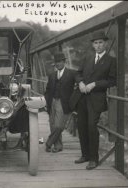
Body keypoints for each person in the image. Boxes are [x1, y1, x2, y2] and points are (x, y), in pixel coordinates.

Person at [73, 30, 116, 170]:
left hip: (96, 99)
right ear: (93, 45)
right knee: (81, 126)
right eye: (96, 43)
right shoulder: (88, 58)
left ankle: (93, 159)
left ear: (105, 43)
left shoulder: (111, 61)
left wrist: (95, 84)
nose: (98, 45)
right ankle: (85, 155)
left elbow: (112, 81)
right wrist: (80, 83)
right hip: (82, 98)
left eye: (101, 43)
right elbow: (78, 73)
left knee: (92, 127)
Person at [44, 52, 76, 153]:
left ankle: (49, 142)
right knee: (52, 124)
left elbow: (81, 80)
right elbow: (48, 90)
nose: (58, 64)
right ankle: (58, 146)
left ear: (64, 62)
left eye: (60, 61)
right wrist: (46, 101)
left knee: (59, 125)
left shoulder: (71, 73)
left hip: (63, 102)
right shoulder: (52, 75)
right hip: (52, 101)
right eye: (56, 62)